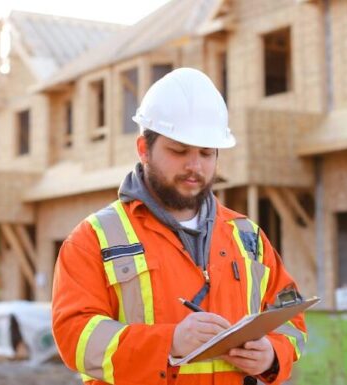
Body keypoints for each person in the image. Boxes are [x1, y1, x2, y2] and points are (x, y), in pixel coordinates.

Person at [51, 68, 307, 385]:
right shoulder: (94, 239)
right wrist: (169, 341)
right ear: (144, 149)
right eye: (179, 150)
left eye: (206, 153)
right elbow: (74, 338)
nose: (194, 166)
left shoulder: (247, 236)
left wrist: (272, 354)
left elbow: (292, 317)